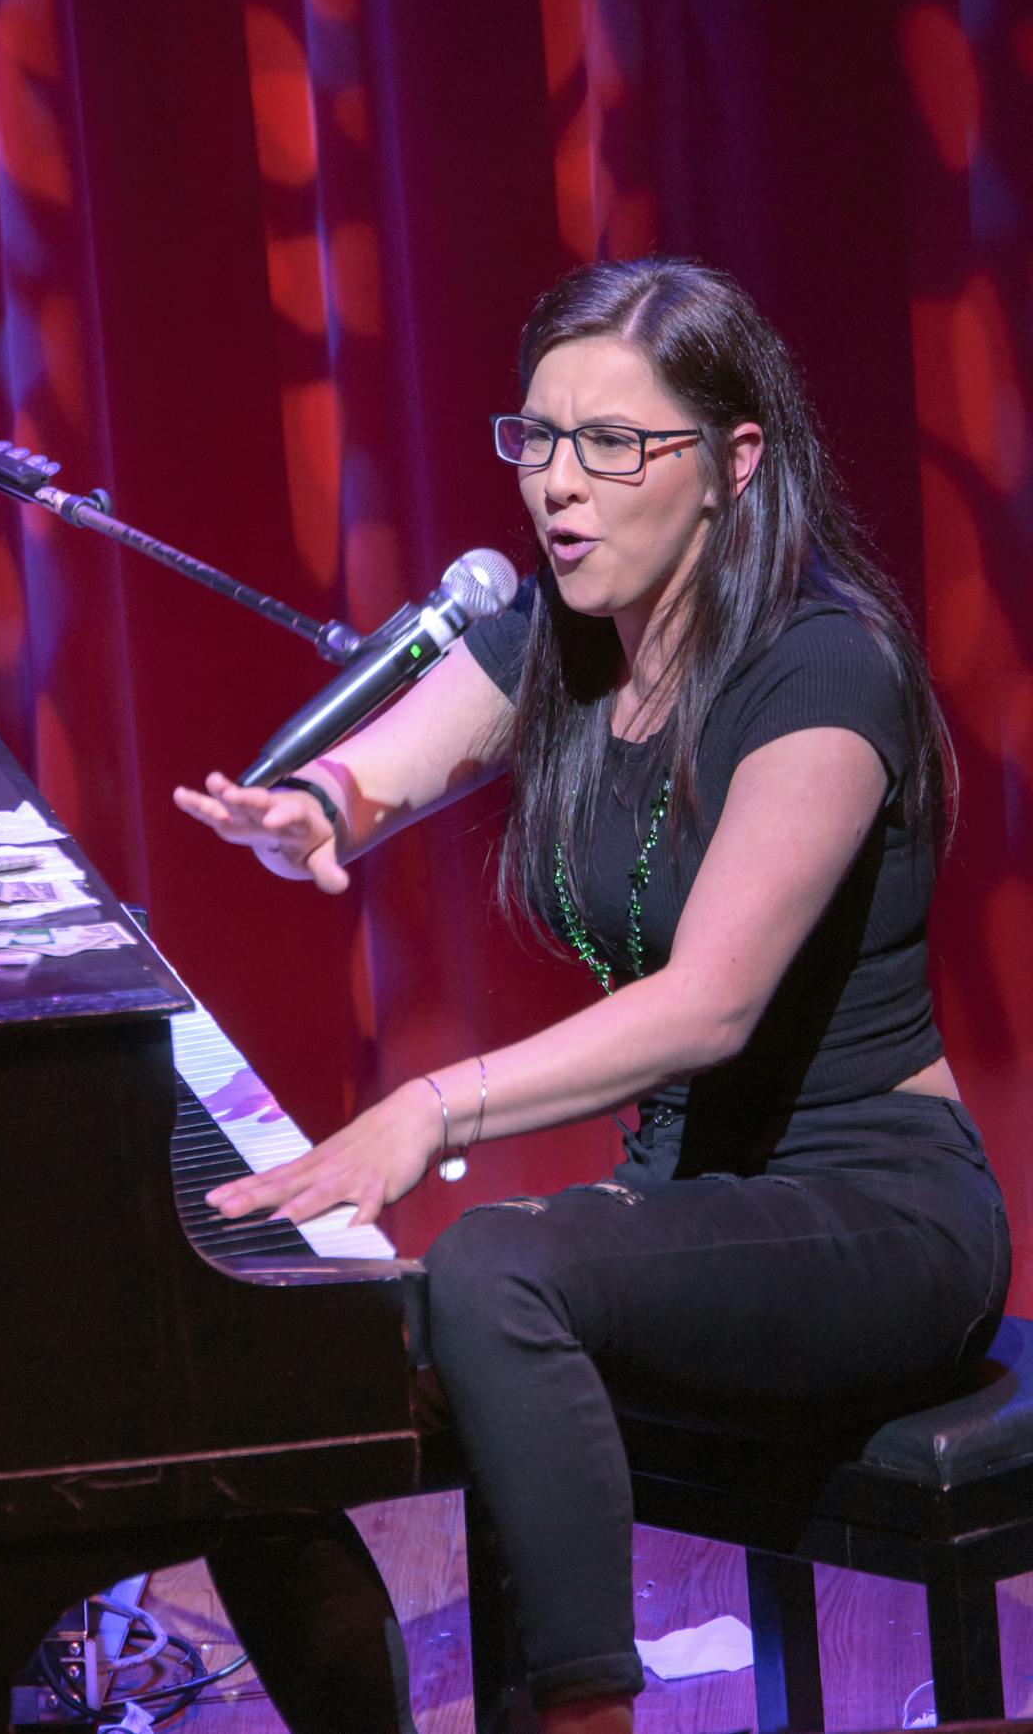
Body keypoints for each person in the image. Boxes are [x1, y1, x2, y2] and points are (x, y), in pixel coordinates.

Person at [174, 258, 1009, 1734]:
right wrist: (315, 805)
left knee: (498, 1267)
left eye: (612, 444)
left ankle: (585, 1719)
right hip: (684, 1202)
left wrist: (429, 1107)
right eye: (539, 439)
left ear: (729, 465)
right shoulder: (571, 635)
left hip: (877, 1214)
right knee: (268, 1374)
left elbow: (710, 1007)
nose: (560, 485)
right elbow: (386, 769)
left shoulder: (827, 668)